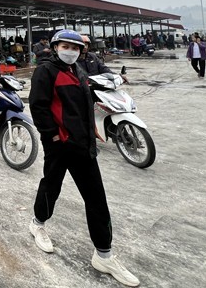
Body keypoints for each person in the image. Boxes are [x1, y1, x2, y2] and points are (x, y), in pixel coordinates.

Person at [28, 29, 139, 287]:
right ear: (56, 47)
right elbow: (38, 106)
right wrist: (53, 137)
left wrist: (93, 131)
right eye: (67, 46)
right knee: (51, 187)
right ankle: (38, 223)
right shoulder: (45, 71)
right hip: (60, 145)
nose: (72, 51)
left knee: (97, 199)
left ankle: (104, 255)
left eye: (76, 48)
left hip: (84, 145)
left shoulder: (79, 71)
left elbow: (84, 105)